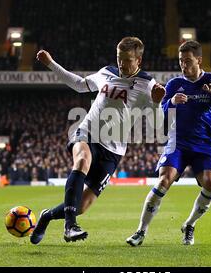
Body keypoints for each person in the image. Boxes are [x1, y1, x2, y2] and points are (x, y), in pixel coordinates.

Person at [30, 36, 166, 244]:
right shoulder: (107, 72)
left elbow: (158, 123)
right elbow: (79, 84)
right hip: (88, 132)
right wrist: (51, 63)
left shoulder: (148, 85)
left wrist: (157, 103)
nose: (122, 63)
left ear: (139, 60)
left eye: (128, 60)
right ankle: (70, 227)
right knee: (82, 160)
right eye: (119, 58)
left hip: (113, 150)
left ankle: (47, 216)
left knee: (82, 206)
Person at [126, 40, 211, 246]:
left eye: (188, 61)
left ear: (199, 60)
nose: (184, 65)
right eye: (181, 61)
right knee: (163, 180)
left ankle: (190, 224)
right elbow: (160, 113)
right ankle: (141, 231)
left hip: (205, 145)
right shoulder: (174, 84)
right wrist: (171, 102)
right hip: (178, 143)